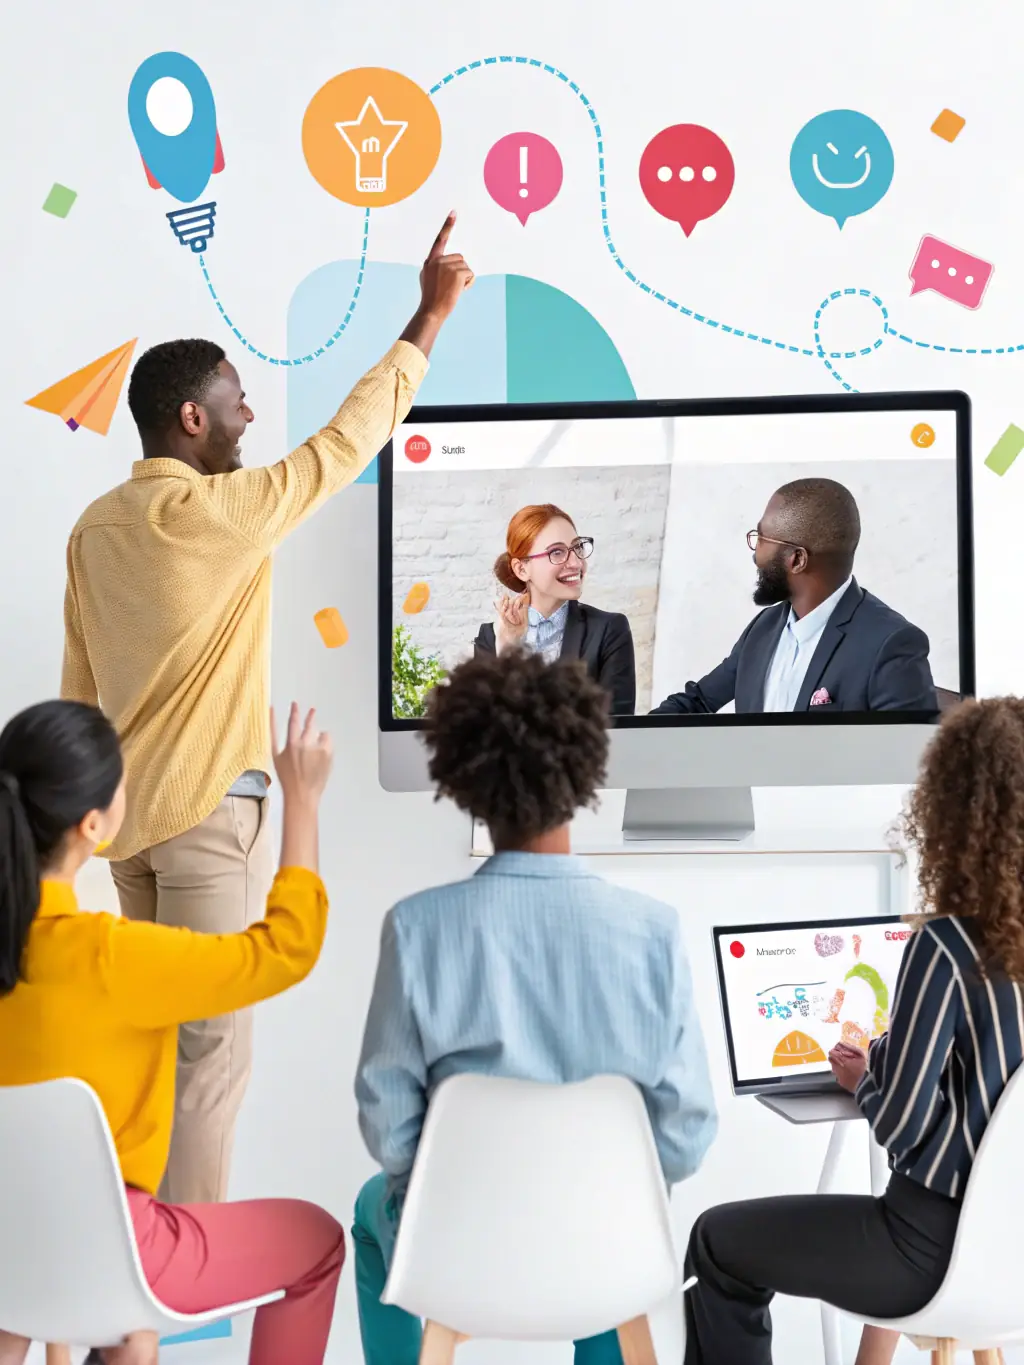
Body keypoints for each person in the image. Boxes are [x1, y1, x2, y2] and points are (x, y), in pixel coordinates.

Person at [59, 215, 474, 1206]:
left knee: (147, 1054)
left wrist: (72, 844)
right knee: (210, 1064)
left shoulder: (93, 530)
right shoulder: (227, 514)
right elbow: (346, 442)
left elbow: (76, 692)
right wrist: (429, 314)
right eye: (237, 403)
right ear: (191, 420)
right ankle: (174, 1289)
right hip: (206, 825)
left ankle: (129, 1271)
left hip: (122, 834)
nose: (250, 419)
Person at [352, 648, 717, 1365]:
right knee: (606, 1228)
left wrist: (426, 1187)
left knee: (372, 1211)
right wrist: (613, 1194)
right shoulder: (652, 931)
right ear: (586, 771)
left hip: (457, 1247)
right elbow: (689, 1130)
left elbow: (386, 1121)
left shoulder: (417, 927)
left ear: (464, 781)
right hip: (610, 1252)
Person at [0, 697, 345, 1365]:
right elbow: (284, 949)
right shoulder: (113, 955)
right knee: (319, 1240)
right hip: (122, 1251)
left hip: (10, 1245)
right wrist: (301, 799)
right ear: (93, 823)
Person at [682, 696, 1024, 1365]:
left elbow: (902, 1124)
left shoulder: (951, 946)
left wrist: (865, 1075)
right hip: (1013, 1257)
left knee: (718, 1244)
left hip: (927, 1252)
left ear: (954, 810)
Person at [651, 477, 938, 716]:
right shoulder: (764, 628)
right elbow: (698, 701)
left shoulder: (891, 644)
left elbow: (903, 768)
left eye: (761, 539)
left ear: (797, 560)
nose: (755, 553)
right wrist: (629, 739)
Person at [474, 504, 636, 715]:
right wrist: (509, 648)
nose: (577, 563)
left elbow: (616, 729)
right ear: (522, 569)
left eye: (578, 547)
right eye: (557, 552)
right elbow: (485, 730)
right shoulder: (491, 638)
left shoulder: (609, 631)